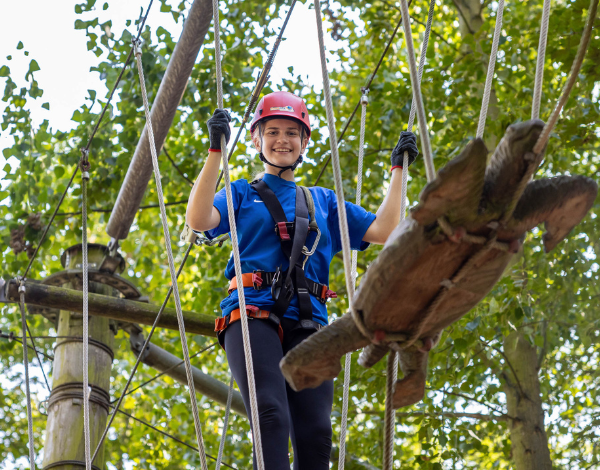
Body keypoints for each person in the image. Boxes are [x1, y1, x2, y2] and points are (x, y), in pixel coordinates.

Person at [186, 91, 418, 469]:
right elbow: (199, 219)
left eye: (292, 133)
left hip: (310, 321)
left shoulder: (323, 201)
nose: (283, 140)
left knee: (316, 434)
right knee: (271, 414)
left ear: (304, 142)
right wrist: (216, 151)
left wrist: (399, 171)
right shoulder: (242, 193)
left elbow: (385, 230)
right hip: (253, 312)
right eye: (273, 132)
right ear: (256, 140)